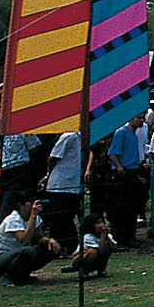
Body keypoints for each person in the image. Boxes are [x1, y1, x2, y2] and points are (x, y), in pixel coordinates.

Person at [0, 196, 62, 286]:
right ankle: (6, 277)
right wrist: (33, 216)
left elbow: (39, 238)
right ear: (21, 205)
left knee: (49, 249)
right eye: (30, 202)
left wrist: (50, 242)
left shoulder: (35, 218)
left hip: (16, 255)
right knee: (28, 251)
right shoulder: (13, 219)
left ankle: (22, 275)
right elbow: (25, 241)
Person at [106, 112, 149, 247]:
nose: (141, 121)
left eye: (142, 118)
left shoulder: (134, 134)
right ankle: (119, 238)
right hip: (124, 172)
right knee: (121, 207)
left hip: (133, 171)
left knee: (133, 206)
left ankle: (130, 236)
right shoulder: (122, 133)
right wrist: (119, 167)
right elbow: (112, 154)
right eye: (138, 118)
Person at [40, 130, 85, 247]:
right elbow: (53, 157)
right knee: (61, 219)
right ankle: (62, 245)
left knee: (64, 218)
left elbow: (53, 157)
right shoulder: (71, 136)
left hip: (67, 184)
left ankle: (67, 245)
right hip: (62, 184)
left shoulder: (74, 136)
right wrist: (48, 174)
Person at [62, 212, 117, 279]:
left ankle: (102, 270)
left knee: (107, 247)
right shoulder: (88, 237)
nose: (101, 225)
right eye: (97, 223)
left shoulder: (106, 235)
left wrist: (106, 237)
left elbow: (114, 248)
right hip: (81, 261)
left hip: (96, 261)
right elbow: (101, 251)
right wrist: (103, 235)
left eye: (102, 222)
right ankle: (84, 272)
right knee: (93, 252)